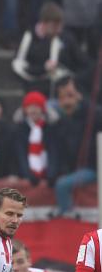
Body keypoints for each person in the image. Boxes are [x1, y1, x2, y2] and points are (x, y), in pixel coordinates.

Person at [48, 77, 102, 216]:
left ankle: (68, 216)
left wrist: (82, 101)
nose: (66, 101)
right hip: (74, 168)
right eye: (62, 97)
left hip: (92, 168)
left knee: (62, 185)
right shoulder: (58, 122)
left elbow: (96, 114)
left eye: (70, 96)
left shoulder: (90, 116)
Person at [11, 2, 89, 94]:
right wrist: (44, 68)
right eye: (55, 26)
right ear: (43, 23)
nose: (59, 30)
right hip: (35, 87)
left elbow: (82, 61)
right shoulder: (28, 38)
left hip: (61, 89)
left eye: (60, 26)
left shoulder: (67, 38)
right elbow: (19, 66)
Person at [14, 91, 58, 187]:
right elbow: (20, 155)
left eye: (36, 106)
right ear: (25, 110)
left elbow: (53, 152)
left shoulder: (50, 128)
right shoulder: (20, 129)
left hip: (48, 175)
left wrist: (51, 174)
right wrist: (29, 174)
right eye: (30, 107)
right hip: (27, 177)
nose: (33, 110)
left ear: (42, 109)